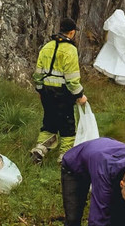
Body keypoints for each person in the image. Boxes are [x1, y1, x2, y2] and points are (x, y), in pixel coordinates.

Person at [31, 17, 87, 164]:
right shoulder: (70, 50)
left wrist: (40, 90)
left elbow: (38, 74)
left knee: (49, 121)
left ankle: (39, 150)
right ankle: (65, 157)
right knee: (67, 124)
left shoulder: (47, 47)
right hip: (63, 94)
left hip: (47, 92)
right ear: (72, 32)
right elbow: (72, 78)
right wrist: (79, 95)